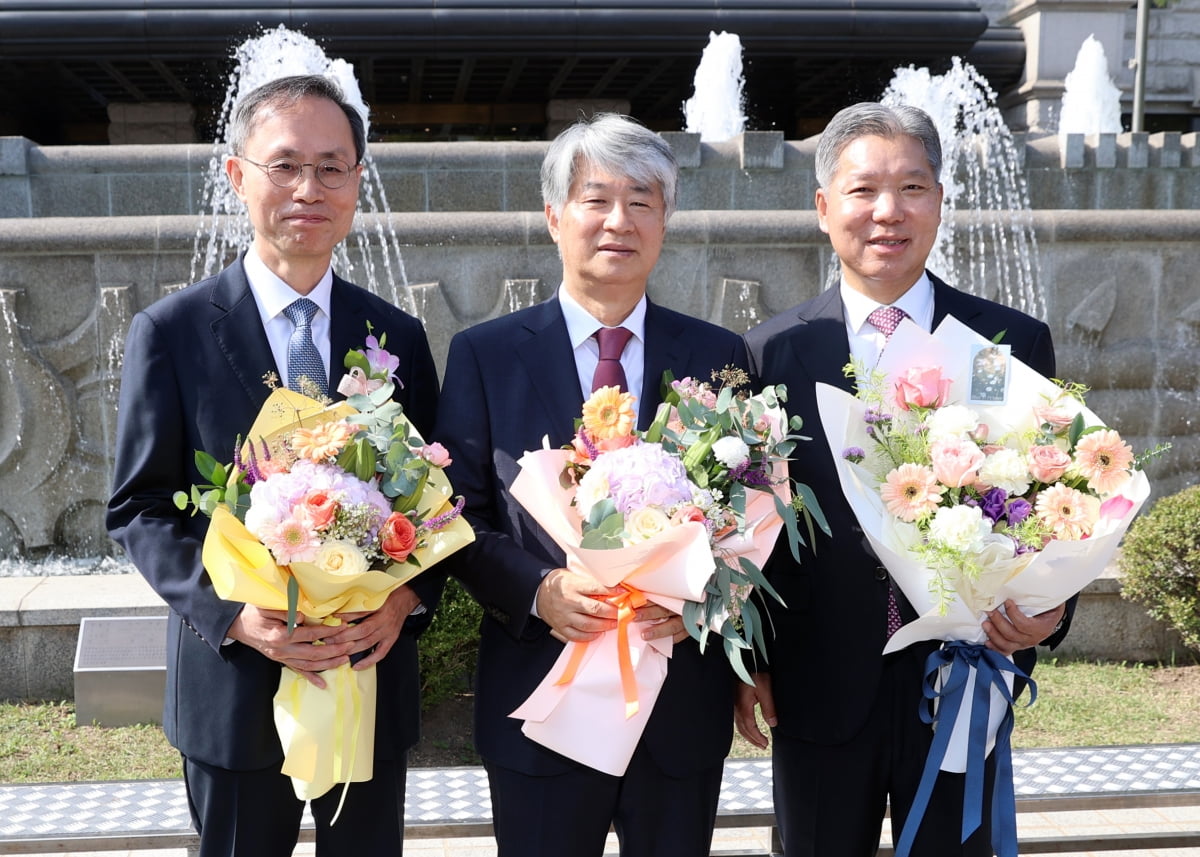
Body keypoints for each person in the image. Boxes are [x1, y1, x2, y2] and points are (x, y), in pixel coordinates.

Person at [106, 74, 441, 857]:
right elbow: (140, 509)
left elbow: (437, 508)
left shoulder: (397, 336)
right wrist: (233, 616)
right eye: (284, 165)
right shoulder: (173, 332)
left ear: (358, 181)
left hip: (367, 679)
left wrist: (407, 599)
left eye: (332, 167)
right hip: (234, 688)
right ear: (237, 175)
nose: (308, 188)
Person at [737, 102, 1075, 856]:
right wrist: (748, 661)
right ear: (825, 208)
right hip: (817, 689)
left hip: (961, 682)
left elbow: (1055, 493)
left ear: (940, 201)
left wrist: (1052, 606)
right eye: (863, 191)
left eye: (912, 188)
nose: (888, 211)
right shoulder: (771, 355)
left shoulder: (1004, 344)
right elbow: (750, 531)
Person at [435, 113, 746, 857]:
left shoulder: (718, 355)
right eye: (595, 199)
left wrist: (704, 594)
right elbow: (457, 516)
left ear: (665, 220)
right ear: (554, 216)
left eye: (642, 200)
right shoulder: (484, 356)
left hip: (676, 701)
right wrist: (536, 589)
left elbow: (750, 507)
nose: (619, 220)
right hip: (542, 697)